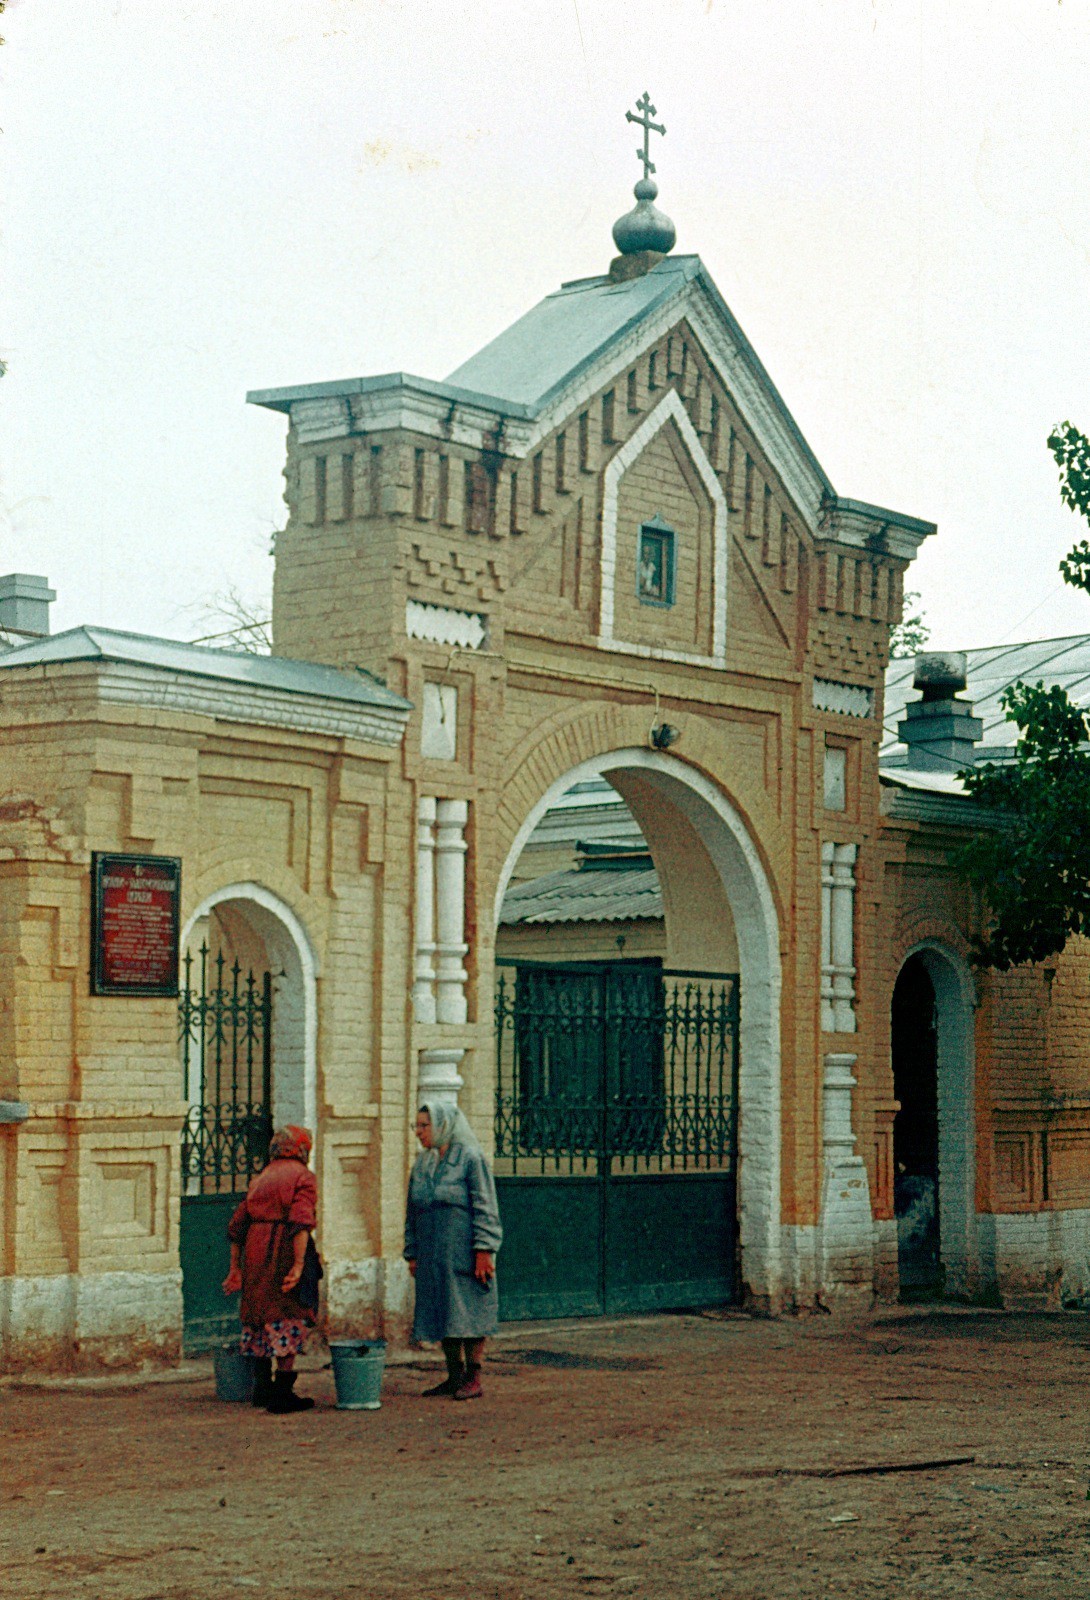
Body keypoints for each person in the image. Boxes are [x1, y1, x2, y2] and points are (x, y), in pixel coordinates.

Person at [405, 1099, 503, 1401]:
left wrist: (485, 1249)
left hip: (464, 1250)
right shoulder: (423, 1163)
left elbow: (486, 1205)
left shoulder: (470, 1158)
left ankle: (473, 1376)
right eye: (416, 1126)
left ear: (443, 1125)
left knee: (469, 1308)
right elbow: (412, 1210)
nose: (419, 1132)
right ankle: (454, 1375)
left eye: (425, 1126)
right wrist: (412, 1252)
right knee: (443, 1309)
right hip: (433, 1252)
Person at [223, 1124, 320, 1414]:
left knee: (260, 1314)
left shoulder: (261, 1177)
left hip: (255, 1249)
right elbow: (301, 1222)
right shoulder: (302, 1176)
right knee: (287, 1312)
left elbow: (236, 1227)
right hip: (282, 1250)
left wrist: (235, 1269)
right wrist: (299, 1264)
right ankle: (283, 1393)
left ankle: (262, 1388)